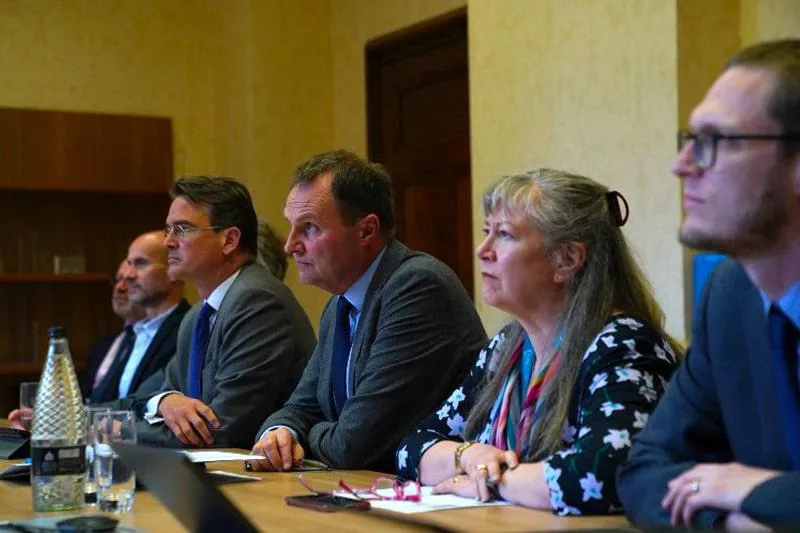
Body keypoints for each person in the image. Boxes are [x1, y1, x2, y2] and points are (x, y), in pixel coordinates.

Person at [396, 169, 680, 516]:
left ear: (567, 260)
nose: (482, 250)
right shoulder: (506, 348)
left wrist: (492, 478)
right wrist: (467, 456)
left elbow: (603, 474)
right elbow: (413, 447)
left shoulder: (624, 345)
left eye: (504, 235)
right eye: (487, 232)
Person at [618, 39, 800, 531]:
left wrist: (753, 488)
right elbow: (644, 472)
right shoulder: (728, 296)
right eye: (689, 137)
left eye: (715, 140)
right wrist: (734, 518)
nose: (681, 164)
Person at [248, 150, 487, 473]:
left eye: (309, 229)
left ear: (366, 231)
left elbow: (353, 446)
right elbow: (299, 406)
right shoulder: (339, 304)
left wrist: (304, 439)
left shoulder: (417, 287)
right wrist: (282, 432)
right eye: (292, 228)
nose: (290, 246)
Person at [121, 176, 316, 449]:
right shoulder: (197, 316)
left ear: (229, 240)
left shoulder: (257, 302)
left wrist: (116, 431)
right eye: (168, 230)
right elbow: (149, 392)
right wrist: (164, 401)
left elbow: (220, 428)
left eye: (182, 229)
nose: (168, 242)